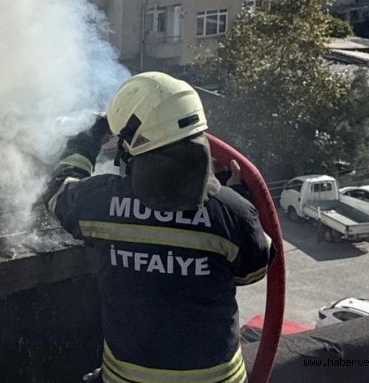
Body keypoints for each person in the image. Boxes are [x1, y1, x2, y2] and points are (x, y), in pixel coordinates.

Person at [44, 72, 273, 383]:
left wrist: (87, 139)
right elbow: (253, 269)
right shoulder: (233, 212)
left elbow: (58, 192)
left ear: (131, 148)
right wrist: (236, 196)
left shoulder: (103, 203)